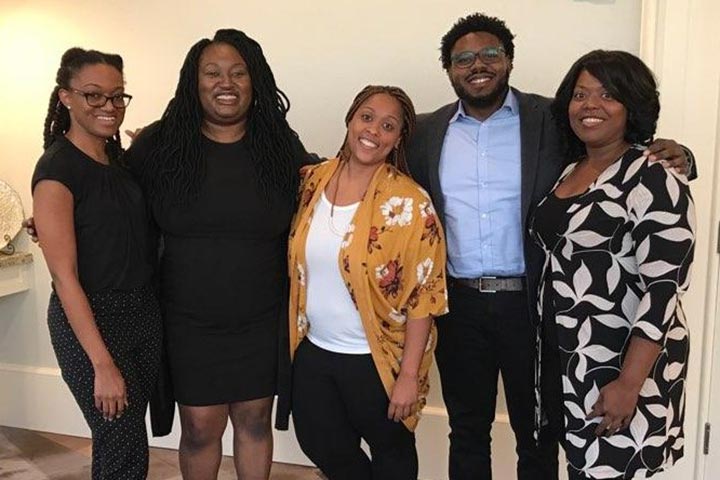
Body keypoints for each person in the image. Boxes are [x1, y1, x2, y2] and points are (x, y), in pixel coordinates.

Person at [406, 13, 694, 480]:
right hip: (458, 306)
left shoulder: (551, 119)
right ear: (449, 70)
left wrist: (679, 155)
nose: (477, 64)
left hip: (534, 307)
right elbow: (368, 155)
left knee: (538, 433)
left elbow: (616, 150)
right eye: (463, 58)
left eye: (490, 53)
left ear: (509, 60)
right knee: (467, 430)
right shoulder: (424, 132)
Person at [125, 29, 306, 479]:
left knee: (254, 420)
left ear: (255, 81)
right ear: (194, 81)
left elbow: (326, 189)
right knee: (200, 426)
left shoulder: (280, 146)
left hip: (261, 317)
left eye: (238, 72)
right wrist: (53, 216)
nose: (226, 82)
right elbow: (111, 196)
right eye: (212, 73)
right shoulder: (159, 145)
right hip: (188, 320)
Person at [530, 50, 694, 480]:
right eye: (580, 94)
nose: (590, 104)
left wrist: (629, 384)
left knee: (612, 470)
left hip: (619, 365)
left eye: (607, 94)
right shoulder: (570, 170)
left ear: (632, 104)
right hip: (567, 361)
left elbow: (664, 289)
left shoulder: (654, 174)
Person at [287, 85, 448, 480]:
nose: (374, 130)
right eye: (367, 117)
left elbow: (425, 296)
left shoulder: (410, 203)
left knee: (391, 452)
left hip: (377, 359)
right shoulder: (313, 181)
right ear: (350, 119)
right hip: (315, 350)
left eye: (388, 126)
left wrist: (408, 376)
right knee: (320, 443)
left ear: (398, 139)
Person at [31, 48, 162, 479]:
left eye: (118, 95)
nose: (109, 106)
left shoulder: (120, 162)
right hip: (91, 322)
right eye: (94, 95)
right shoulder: (57, 170)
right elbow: (64, 278)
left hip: (141, 315)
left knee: (123, 442)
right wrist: (102, 365)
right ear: (66, 97)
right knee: (121, 442)